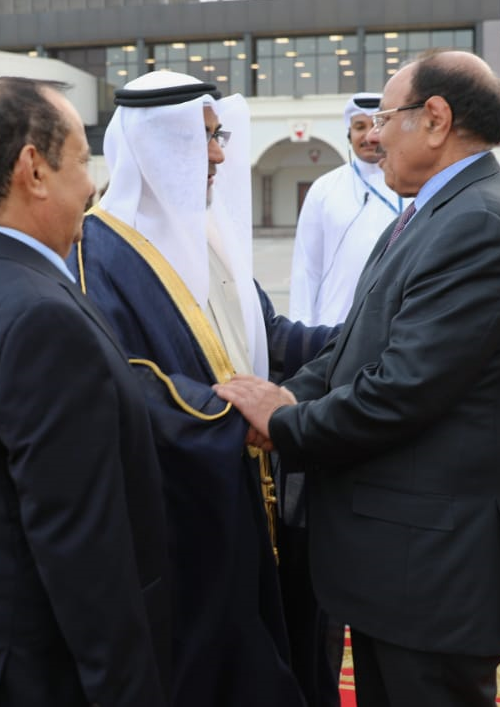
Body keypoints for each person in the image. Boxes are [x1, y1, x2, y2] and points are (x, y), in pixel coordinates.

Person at [216, 50, 500, 707]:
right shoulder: (434, 211)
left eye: (386, 118)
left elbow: (401, 390)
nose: (374, 136)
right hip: (403, 560)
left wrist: (285, 424)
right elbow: (355, 346)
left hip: (432, 566)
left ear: (435, 119)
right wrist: (291, 394)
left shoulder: (477, 223)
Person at [0, 77, 171, 706]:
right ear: (34, 170)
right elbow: (83, 554)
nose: (91, 185)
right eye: (81, 161)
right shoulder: (42, 317)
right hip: (30, 669)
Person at [70, 70, 335, 707]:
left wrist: (362, 340)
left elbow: (265, 334)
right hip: (183, 506)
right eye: (205, 138)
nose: (219, 154)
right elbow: (124, 380)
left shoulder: (209, 231)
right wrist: (238, 417)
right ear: (158, 145)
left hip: (251, 488)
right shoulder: (97, 251)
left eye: (219, 137)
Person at [290, 92, 405, 325]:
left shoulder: (410, 184)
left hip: (397, 321)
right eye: (359, 127)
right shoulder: (324, 188)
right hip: (335, 325)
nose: (368, 135)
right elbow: (306, 268)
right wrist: (303, 329)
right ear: (348, 133)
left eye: (377, 125)